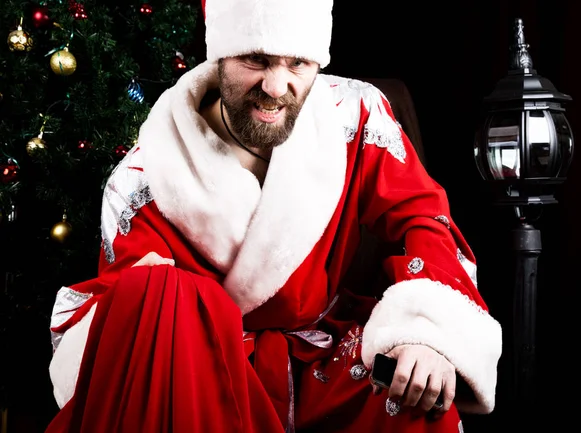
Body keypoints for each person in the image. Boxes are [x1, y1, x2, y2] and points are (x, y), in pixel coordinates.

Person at [45, 0, 502, 432]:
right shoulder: (145, 180)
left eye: (297, 64)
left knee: (415, 391)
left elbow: (421, 218)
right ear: (220, 55)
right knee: (158, 291)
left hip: (325, 360)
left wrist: (425, 332)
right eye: (257, 60)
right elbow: (137, 344)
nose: (276, 87)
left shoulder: (354, 116)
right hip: (204, 377)